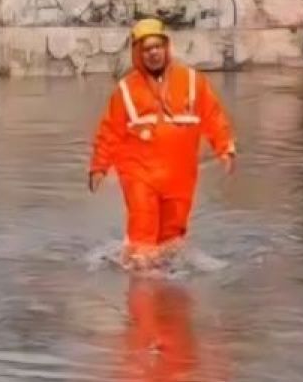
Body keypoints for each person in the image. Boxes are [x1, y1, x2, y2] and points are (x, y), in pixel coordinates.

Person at [89, 19, 236, 269]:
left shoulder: (192, 81)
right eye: (147, 49)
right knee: (142, 236)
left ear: (166, 48)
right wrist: (98, 167)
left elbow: (214, 116)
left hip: (179, 175)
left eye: (157, 46)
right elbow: (109, 131)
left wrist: (226, 148)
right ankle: (141, 284)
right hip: (139, 173)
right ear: (138, 53)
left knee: (172, 240)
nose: (153, 53)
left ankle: (166, 287)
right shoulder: (126, 90)